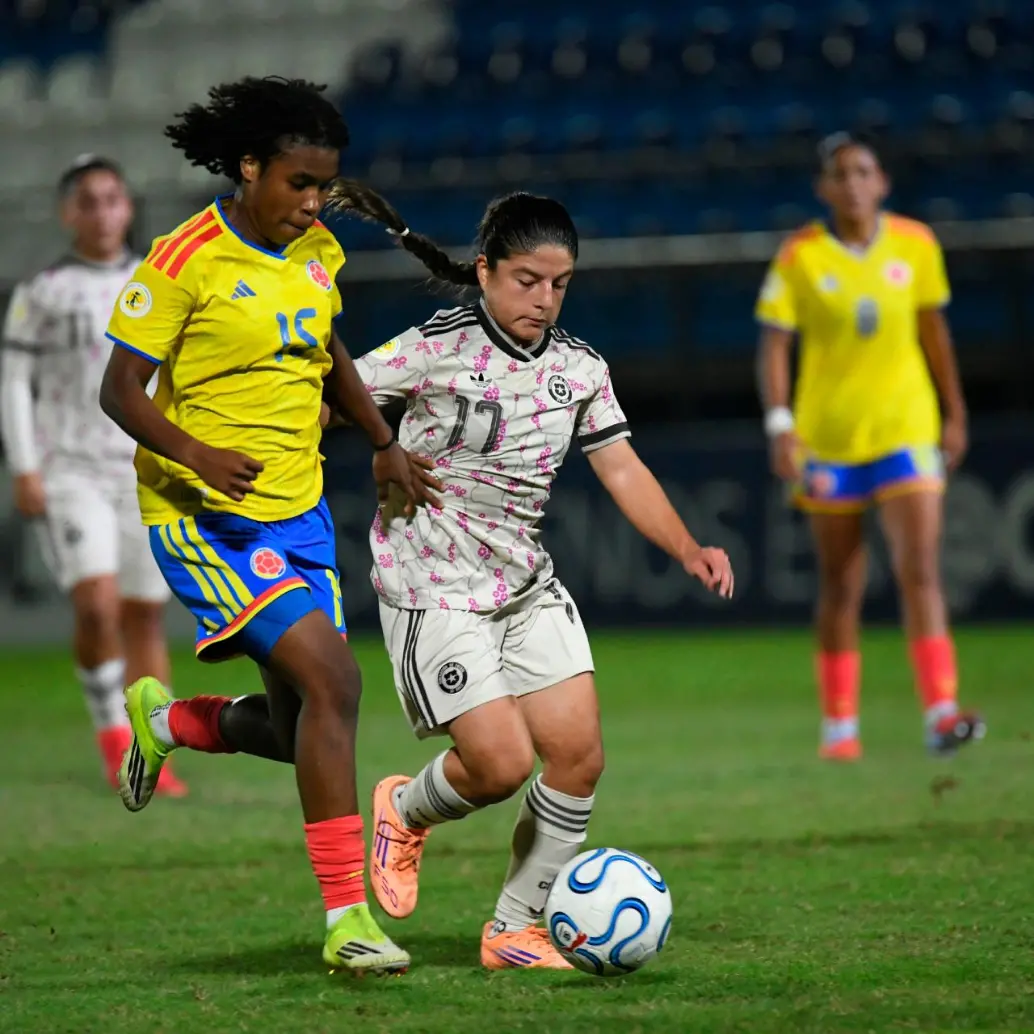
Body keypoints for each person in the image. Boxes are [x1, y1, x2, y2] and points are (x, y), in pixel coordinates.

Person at [328, 187, 734, 968]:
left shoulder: (579, 369)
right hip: (432, 585)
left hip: (524, 586)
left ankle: (515, 928)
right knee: (501, 765)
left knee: (579, 755)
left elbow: (620, 466)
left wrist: (687, 547)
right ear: (484, 272)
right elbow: (333, 399)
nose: (543, 300)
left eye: (559, 284)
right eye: (526, 280)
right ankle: (405, 811)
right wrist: (372, 441)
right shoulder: (435, 346)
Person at [98, 76, 438, 974]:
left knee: (299, 735)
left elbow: (327, 353)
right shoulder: (184, 260)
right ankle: (347, 921)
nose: (312, 201)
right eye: (296, 182)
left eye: (323, 185)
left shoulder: (319, 249)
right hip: (205, 519)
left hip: (301, 515)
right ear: (248, 168)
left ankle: (168, 721)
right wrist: (196, 456)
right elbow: (119, 391)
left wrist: (380, 438)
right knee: (336, 685)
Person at [754, 132, 984, 761]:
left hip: (905, 429)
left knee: (921, 568)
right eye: (841, 175)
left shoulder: (916, 243)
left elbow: (934, 332)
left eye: (864, 172)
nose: (853, 184)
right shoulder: (801, 255)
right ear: (823, 189)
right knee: (841, 582)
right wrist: (781, 425)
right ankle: (840, 729)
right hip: (828, 439)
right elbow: (775, 342)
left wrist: (954, 411)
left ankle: (941, 712)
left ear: (882, 182)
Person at [0, 155, 186, 797]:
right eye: (89, 201)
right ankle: (114, 736)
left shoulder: (156, 282)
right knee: (98, 604)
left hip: (142, 469)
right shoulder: (42, 291)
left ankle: (152, 749)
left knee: (143, 614)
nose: (102, 211)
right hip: (71, 470)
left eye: (113, 199)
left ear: (128, 208)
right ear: (67, 212)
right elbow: (13, 383)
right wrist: (25, 466)